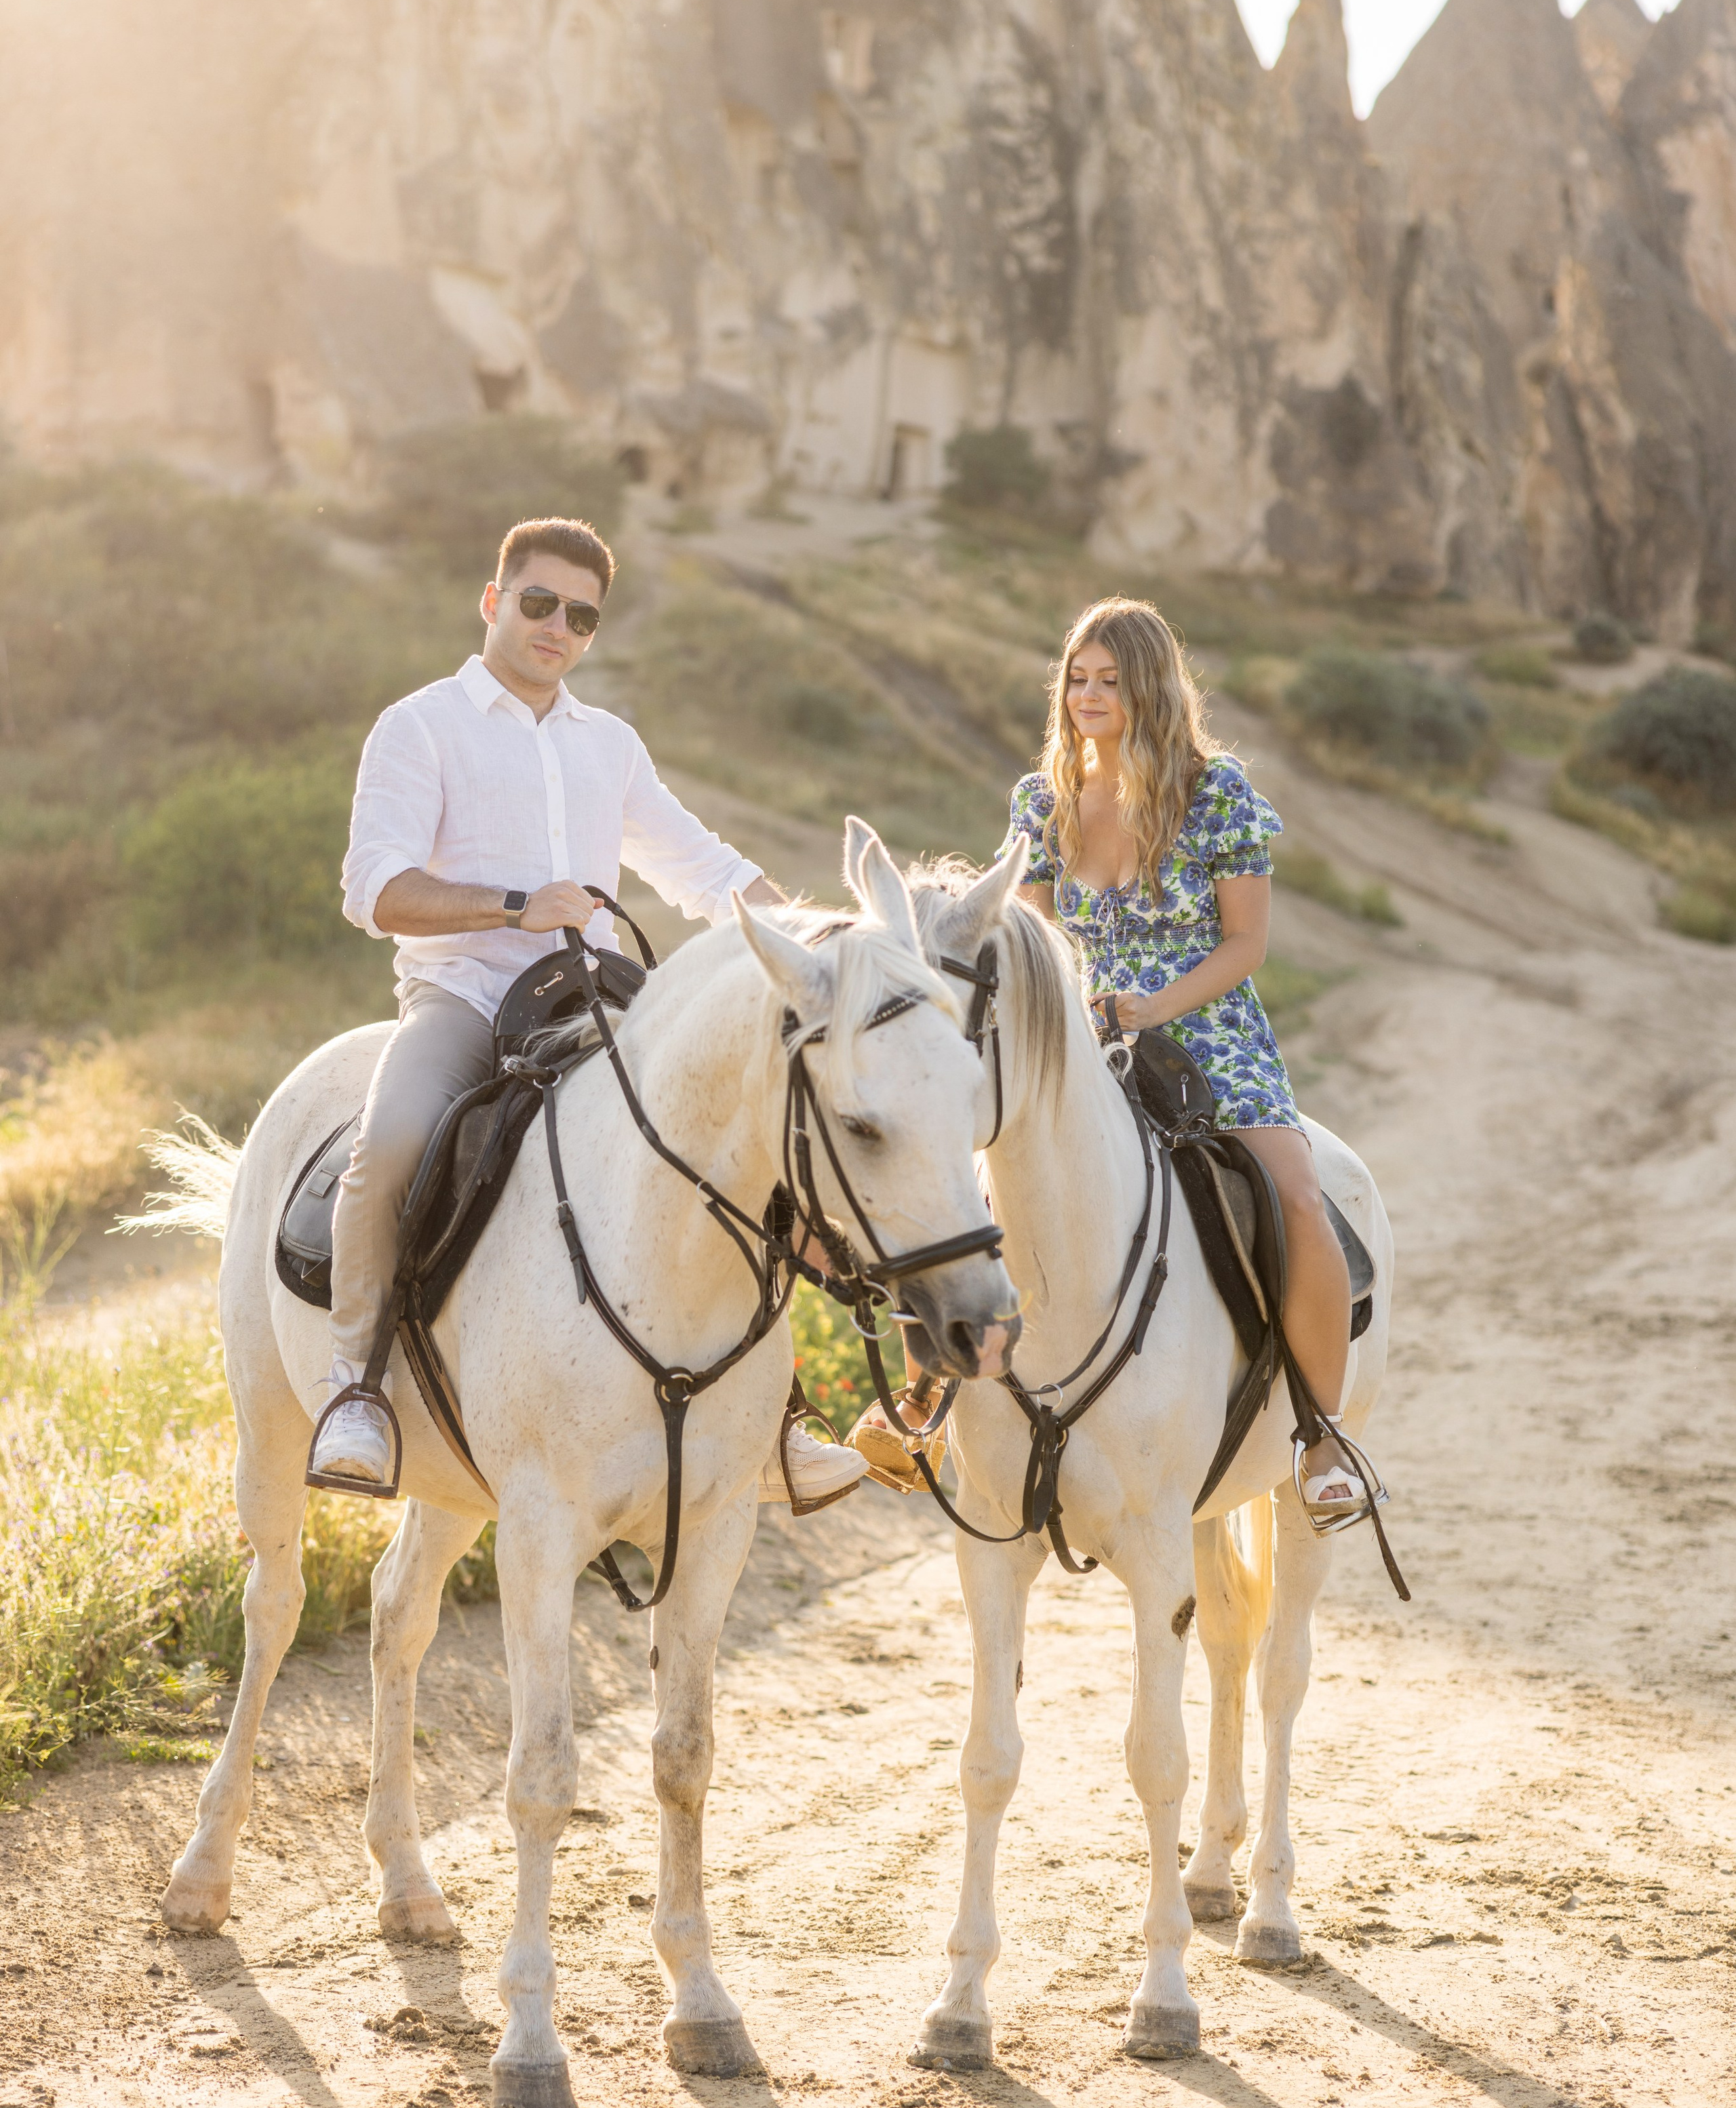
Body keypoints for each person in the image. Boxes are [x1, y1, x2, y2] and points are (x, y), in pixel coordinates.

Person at [309, 510, 865, 1514]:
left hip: (596, 1001)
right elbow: (375, 889)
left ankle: (774, 1423)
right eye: (538, 603)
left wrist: (822, 936)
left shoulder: (609, 744)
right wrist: (514, 905)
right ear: (493, 601)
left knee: (748, 1140)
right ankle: (357, 1389)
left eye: (581, 616)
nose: (557, 627)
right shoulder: (420, 725)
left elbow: (703, 868)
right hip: (467, 994)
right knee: (389, 1144)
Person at [1000, 594, 1375, 1521]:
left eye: (1110, 680)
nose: (1088, 696)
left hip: (1207, 1030)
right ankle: (931, 1404)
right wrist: (1078, 1007)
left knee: (1292, 1191)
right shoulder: (1041, 800)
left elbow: (1247, 943)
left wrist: (1155, 1007)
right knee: (977, 1164)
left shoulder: (1217, 794)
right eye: (1077, 679)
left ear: (1151, 687)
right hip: (1081, 1032)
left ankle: (1323, 1437)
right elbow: (1032, 931)